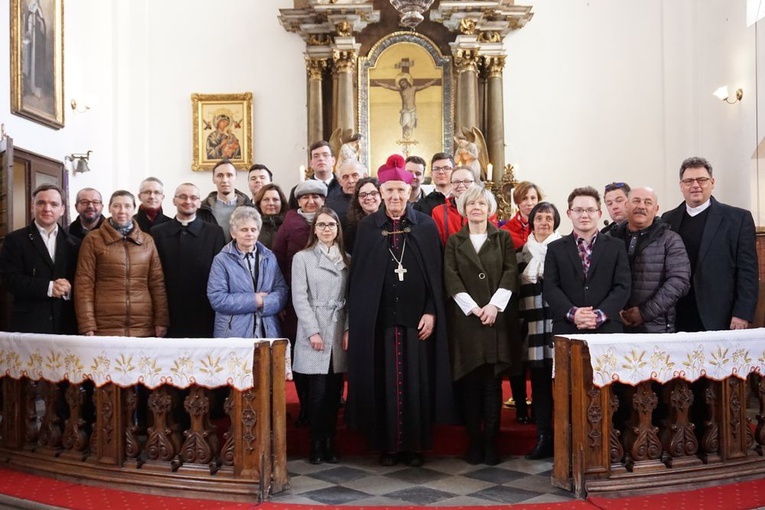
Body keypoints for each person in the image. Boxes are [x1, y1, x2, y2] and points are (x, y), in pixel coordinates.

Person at [346, 154, 454, 467]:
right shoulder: (368, 228)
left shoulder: (425, 226)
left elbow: (436, 276)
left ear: (410, 193)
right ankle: (387, 445)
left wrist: (432, 310)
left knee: (415, 383)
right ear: (381, 193)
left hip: (415, 320)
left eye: (400, 191)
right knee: (383, 382)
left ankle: (414, 446)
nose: (395, 197)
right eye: (389, 191)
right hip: (380, 321)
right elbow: (359, 279)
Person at [444, 185, 518, 466]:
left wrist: (494, 306)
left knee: (492, 384)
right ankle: (474, 441)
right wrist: (473, 308)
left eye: (481, 204)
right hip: (467, 321)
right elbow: (450, 276)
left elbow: (510, 272)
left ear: (490, 209)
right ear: (464, 209)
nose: (476, 208)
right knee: (471, 383)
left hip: (494, 319)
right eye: (471, 204)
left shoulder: (502, 238)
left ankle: (491, 444)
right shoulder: (454, 241)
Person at [662, 157, 758, 331]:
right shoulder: (667, 219)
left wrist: (742, 313)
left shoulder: (737, 219)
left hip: (721, 314)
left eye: (702, 180)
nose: (696, 185)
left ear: (712, 183)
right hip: (678, 314)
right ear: (681, 185)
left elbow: (748, 271)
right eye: (689, 181)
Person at [291, 207, 350, 465]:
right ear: (314, 229)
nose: (327, 229)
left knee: (334, 393)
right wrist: (312, 331)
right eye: (322, 225)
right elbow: (299, 297)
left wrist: (348, 329)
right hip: (313, 328)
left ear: (338, 229)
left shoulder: (348, 259)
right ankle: (315, 443)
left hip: (337, 329)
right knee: (316, 393)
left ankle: (330, 441)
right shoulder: (302, 258)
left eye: (332, 225)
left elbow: (352, 300)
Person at [75, 190, 169, 337]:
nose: (122, 211)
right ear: (109, 208)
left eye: (127, 206)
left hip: (143, 324)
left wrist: (161, 320)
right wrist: (87, 323)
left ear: (134, 209)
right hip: (104, 325)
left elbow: (157, 283)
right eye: (117, 206)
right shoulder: (93, 239)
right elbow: (84, 284)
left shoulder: (147, 240)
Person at [273, 180, 327, 426]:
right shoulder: (289, 225)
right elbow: (278, 262)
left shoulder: (329, 222)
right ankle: (306, 405)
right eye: (306, 197)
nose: (311, 201)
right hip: (297, 303)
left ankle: (324, 406)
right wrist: (284, 301)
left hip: (327, 301)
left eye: (316, 196)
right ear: (299, 201)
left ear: (323, 200)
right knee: (302, 355)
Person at [543, 186, 631, 334]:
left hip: (607, 327)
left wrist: (598, 315)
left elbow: (623, 286)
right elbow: (550, 288)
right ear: (569, 213)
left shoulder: (616, 246)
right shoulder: (555, 248)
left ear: (599, 214)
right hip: (568, 327)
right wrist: (574, 314)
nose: (584, 215)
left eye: (590, 210)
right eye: (578, 210)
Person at [0, 184, 80, 334]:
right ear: (32, 206)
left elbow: (82, 281)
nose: (47, 208)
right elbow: (9, 280)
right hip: (30, 325)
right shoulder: (15, 240)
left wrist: (68, 290)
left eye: (54, 204)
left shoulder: (75, 243)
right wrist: (49, 287)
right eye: (41, 203)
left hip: (66, 325)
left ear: (62, 210)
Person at [610, 187, 691, 333]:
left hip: (657, 328)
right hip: (615, 326)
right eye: (636, 201)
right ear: (627, 206)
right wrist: (613, 309)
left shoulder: (670, 240)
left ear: (656, 209)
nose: (641, 206)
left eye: (648, 202)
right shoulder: (610, 239)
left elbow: (679, 281)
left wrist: (644, 312)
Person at [150, 183, 226, 338]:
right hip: (170, 311)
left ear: (199, 202)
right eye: (182, 197)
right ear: (174, 201)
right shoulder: (158, 232)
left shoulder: (214, 233)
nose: (188, 201)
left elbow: (221, 274)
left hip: (204, 311)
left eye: (193, 197)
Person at [518, 202, 562, 460]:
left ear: (555, 223)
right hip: (532, 329)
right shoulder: (520, 254)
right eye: (540, 218)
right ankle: (544, 438)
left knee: (563, 386)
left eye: (549, 218)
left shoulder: (566, 250)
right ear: (532, 221)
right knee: (540, 386)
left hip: (558, 328)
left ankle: (564, 438)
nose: (544, 222)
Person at [207, 206, 289, 345]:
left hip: (267, 331)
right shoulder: (221, 260)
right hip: (233, 333)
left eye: (253, 229)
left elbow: (282, 291)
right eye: (244, 230)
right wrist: (255, 300)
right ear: (233, 233)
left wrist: (265, 302)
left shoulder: (269, 257)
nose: (249, 234)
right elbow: (217, 298)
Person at [199, 159, 253, 242]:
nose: (224, 180)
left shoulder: (249, 208)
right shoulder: (202, 209)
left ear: (236, 178)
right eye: (220, 175)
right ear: (213, 179)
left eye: (229, 175)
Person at [371, 73, 439, 139]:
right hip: (405, 110)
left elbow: (424, 86)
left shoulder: (414, 88)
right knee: (406, 125)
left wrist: (433, 81)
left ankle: (409, 140)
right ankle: (405, 139)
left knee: (411, 127)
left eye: (403, 83)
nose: (402, 85)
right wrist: (378, 83)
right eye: (401, 84)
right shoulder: (401, 90)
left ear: (407, 82)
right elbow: (389, 87)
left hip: (412, 110)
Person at [288, 141, 343, 209]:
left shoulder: (343, 187)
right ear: (311, 163)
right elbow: (292, 216)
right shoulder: (299, 191)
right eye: (316, 156)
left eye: (325, 155)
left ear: (333, 161)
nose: (321, 159)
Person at [431, 167, 475, 245]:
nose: (461, 185)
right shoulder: (439, 212)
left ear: (474, 184)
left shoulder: (485, 210)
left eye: (467, 181)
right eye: (456, 182)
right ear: (451, 184)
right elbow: (436, 244)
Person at [344, 177, 381, 254]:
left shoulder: (391, 221)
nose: (369, 197)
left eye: (373, 193)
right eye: (363, 195)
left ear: (381, 196)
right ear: (357, 200)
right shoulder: (351, 226)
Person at [501, 181, 543, 250]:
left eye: (533, 198)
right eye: (524, 198)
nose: (529, 203)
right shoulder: (505, 231)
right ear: (517, 202)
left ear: (538, 200)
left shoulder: (545, 227)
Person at [414, 153, 453, 217]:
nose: (441, 172)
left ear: (454, 171)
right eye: (436, 169)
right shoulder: (421, 205)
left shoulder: (462, 200)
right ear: (431, 173)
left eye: (446, 168)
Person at [327, 159, 366, 224]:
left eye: (355, 175)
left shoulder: (373, 199)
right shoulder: (331, 206)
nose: (350, 181)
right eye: (345, 177)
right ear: (339, 181)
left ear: (365, 176)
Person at [253, 183, 287, 249]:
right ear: (259, 203)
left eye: (275, 200)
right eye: (266, 200)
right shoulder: (252, 225)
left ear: (281, 203)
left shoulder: (289, 225)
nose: (271, 203)